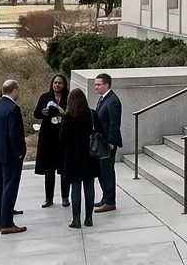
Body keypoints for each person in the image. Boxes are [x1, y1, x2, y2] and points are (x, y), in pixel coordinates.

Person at [0, 79, 27, 234]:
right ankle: (7, 223)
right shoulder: (13, 108)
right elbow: (15, 134)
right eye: (18, 90)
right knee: (10, 186)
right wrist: (20, 151)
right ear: (14, 90)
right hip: (11, 155)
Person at [59, 89, 101, 228]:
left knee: (75, 187)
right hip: (90, 154)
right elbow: (100, 131)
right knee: (89, 186)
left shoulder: (67, 117)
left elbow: (62, 138)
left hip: (72, 155)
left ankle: (76, 219)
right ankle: (89, 218)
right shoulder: (92, 114)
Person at [33, 74, 70, 208]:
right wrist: (43, 112)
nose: (57, 85)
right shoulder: (45, 97)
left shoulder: (69, 97)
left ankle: (65, 197)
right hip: (48, 138)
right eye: (55, 82)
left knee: (64, 169)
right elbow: (36, 113)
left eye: (60, 83)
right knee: (49, 170)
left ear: (64, 84)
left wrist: (65, 114)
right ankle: (49, 198)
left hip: (63, 138)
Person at [93, 72, 123, 213]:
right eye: (95, 84)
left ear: (107, 85)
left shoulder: (113, 101)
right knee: (102, 171)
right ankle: (105, 197)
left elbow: (114, 123)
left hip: (108, 143)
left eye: (98, 84)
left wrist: (111, 142)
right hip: (101, 141)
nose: (96, 87)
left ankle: (110, 201)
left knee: (108, 171)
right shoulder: (103, 99)